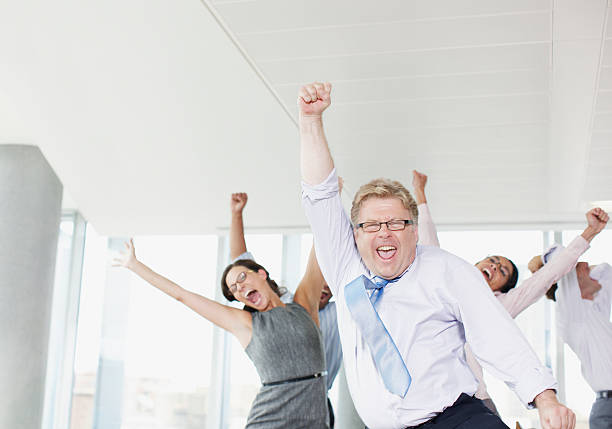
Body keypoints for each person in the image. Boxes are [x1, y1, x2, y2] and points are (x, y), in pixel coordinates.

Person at [298, 81, 575, 429]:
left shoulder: (449, 270)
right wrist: (310, 122)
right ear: (356, 233)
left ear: (414, 230)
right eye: (372, 225)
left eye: (396, 223)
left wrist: (544, 398)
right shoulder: (345, 269)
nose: (384, 231)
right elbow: (320, 196)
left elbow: (496, 335)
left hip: (456, 419)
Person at [412, 169, 608, 414]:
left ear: (500, 290)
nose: (494, 266)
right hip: (426, 400)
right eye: (492, 260)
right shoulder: (445, 283)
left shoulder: (498, 305)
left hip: (472, 400)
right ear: (477, 264)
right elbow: (430, 245)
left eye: (502, 270)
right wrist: (420, 193)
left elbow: (549, 274)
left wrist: (590, 232)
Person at [113, 237, 330, 428]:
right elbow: (182, 295)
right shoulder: (246, 323)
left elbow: (320, 244)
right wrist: (135, 265)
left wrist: (328, 194)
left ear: (262, 274)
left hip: (316, 416)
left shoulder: (303, 304)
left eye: (242, 278)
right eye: (234, 289)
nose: (240, 288)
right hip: (270, 419)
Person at [228, 191, 343, 427]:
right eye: (322, 281)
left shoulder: (340, 313)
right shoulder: (286, 304)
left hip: (318, 399)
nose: (324, 287)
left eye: (330, 284)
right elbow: (240, 265)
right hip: (283, 396)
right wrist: (236, 214)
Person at [530, 224, 612, 429]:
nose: (586, 264)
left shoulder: (595, 311)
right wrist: (541, 263)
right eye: (579, 265)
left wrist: (582, 273)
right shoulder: (572, 315)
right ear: (569, 284)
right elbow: (558, 253)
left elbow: (606, 271)